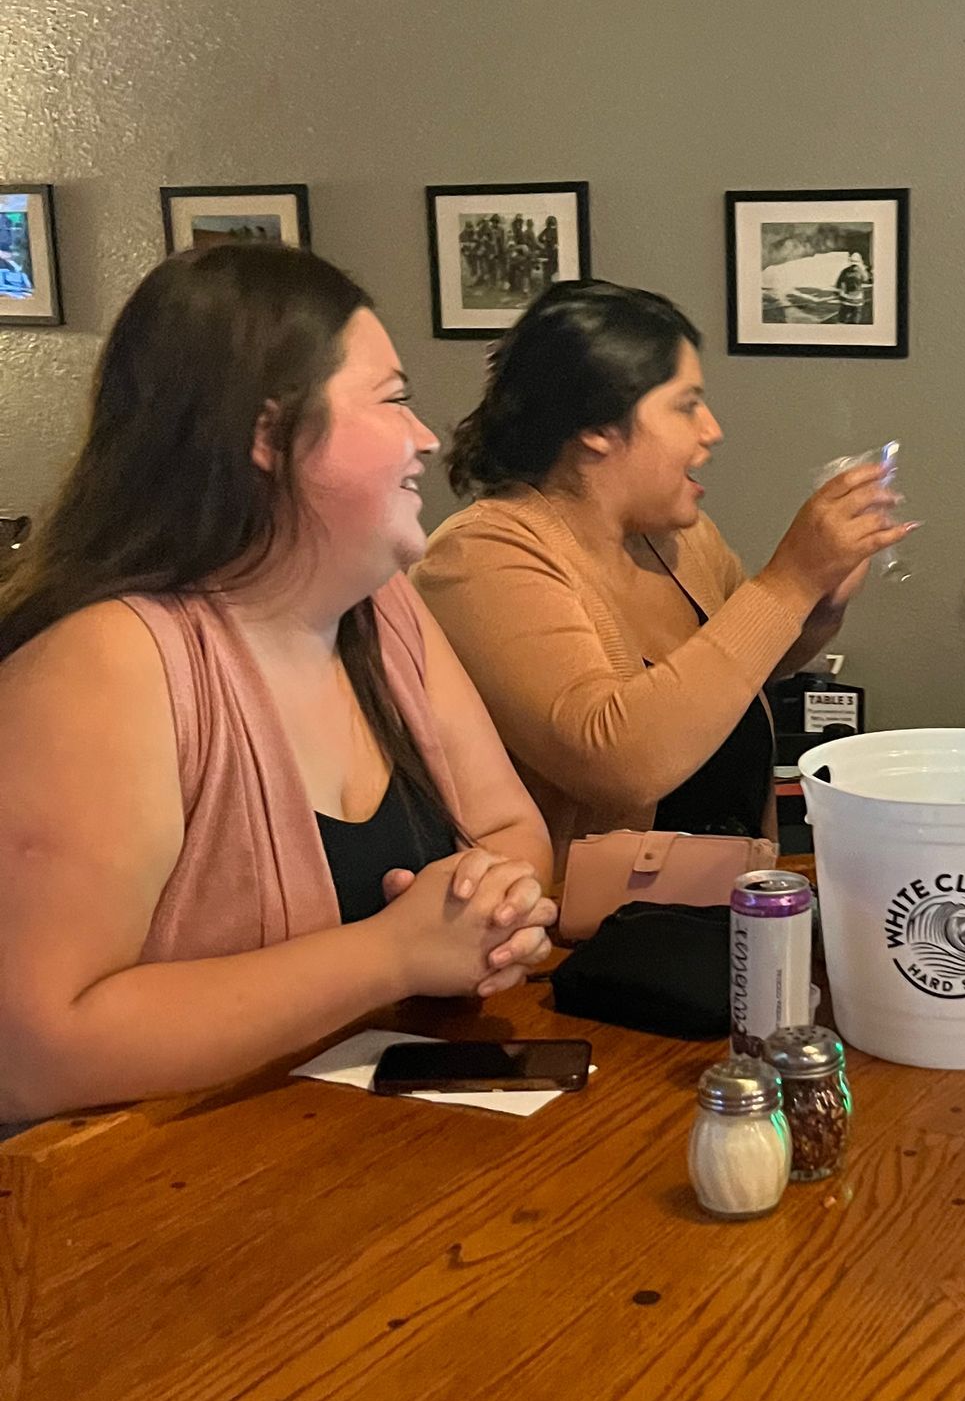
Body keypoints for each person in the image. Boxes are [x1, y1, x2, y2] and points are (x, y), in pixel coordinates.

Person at [0, 244, 556, 1128]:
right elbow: (34, 1052)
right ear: (267, 435)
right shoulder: (108, 662)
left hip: (349, 1157)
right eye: (395, 400)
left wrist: (496, 912)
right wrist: (391, 956)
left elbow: (509, 829)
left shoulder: (387, 613)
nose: (424, 437)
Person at [415, 279, 907, 871]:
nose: (711, 429)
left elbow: (732, 680)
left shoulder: (682, 538)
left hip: (728, 913)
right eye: (685, 405)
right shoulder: (482, 555)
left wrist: (819, 605)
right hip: (583, 946)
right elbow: (619, 761)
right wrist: (789, 582)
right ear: (598, 424)